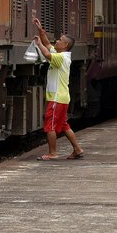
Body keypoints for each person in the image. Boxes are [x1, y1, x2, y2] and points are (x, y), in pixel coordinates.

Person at [32, 15, 85, 161]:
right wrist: (41, 31)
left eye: (60, 40)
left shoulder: (61, 58)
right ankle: (77, 149)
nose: (57, 41)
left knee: (50, 126)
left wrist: (38, 45)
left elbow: (47, 53)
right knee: (63, 124)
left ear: (65, 45)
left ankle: (53, 153)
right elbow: (49, 45)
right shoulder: (62, 55)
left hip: (56, 98)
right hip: (62, 97)